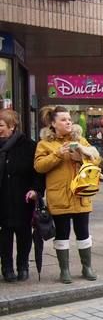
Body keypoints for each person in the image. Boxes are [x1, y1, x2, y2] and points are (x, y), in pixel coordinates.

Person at [34, 106, 101, 284]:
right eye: (63, 119)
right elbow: (39, 166)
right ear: (53, 124)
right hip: (59, 197)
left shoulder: (80, 140)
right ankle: (64, 270)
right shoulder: (44, 144)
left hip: (81, 194)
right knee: (62, 233)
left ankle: (87, 267)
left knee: (83, 233)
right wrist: (58, 154)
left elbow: (97, 158)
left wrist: (82, 158)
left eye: (69, 119)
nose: (68, 122)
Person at [0, 110, 43, 282]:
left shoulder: (29, 146)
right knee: (4, 236)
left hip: (22, 198)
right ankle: (7, 267)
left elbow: (38, 172)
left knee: (24, 234)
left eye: (1, 125)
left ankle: (23, 265)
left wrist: (36, 190)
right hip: (2, 199)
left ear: (12, 127)